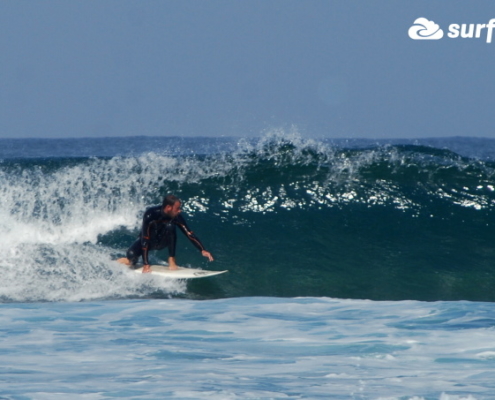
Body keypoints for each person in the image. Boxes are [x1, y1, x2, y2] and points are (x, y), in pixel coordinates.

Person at [118, 194, 214, 273]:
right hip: (149, 241)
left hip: (162, 241)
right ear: (168, 207)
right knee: (131, 255)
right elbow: (145, 238)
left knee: (170, 226)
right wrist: (146, 264)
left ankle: (171, 260)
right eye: (177, 208)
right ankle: (127, 261)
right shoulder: (151, 214)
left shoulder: (176, 217)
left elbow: (189, 234)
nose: (180, 211)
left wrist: (202, 249)